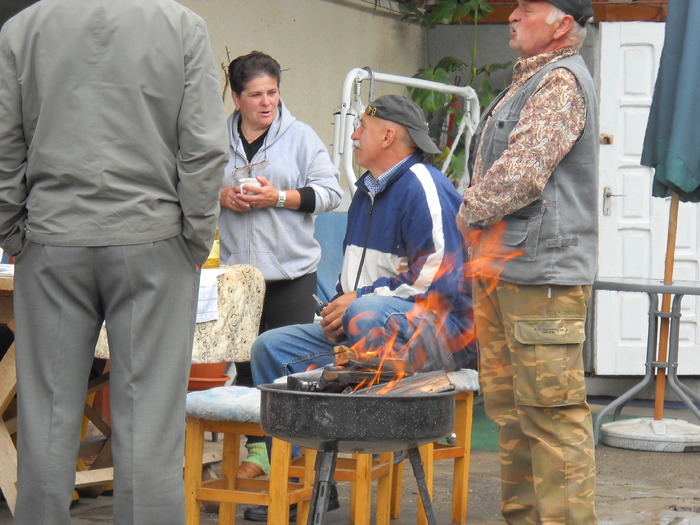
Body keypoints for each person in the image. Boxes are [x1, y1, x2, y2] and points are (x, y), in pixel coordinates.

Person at [0, 1, 228, 524]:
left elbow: (5, 147)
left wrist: (15, 231)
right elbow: (203, 147)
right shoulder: (181, 25)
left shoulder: (23, 29)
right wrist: (192, 237)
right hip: (153, 239)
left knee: (47, 420)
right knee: (150, 426)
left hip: (52, 240)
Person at [456, 1, 598, 523]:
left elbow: (521, 174)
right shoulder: (528, 80)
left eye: (526, 6)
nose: (512, 13)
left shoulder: (559, 82)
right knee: (512, 415)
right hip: (506, 271)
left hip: (542, 277)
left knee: (552, 418)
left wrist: (466, 213)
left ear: (561, 24)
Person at [218, 51, 343, 481]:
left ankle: (297, 466)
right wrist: (221, 197)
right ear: (237, 98)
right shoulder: (217, 138)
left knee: (292, 376)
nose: (266, 102)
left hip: (292, 274)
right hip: (237, 277)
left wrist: (281, 197)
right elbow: (190, 187)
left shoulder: (301, 136)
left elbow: (331, 194)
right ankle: (259, 456)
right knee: (248, 371)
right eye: (255, 95)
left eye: (272, 92)